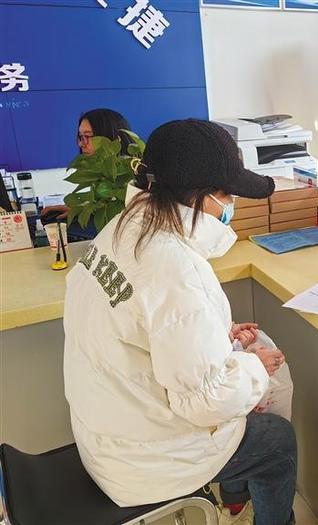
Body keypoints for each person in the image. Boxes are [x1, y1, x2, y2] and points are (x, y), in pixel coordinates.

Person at [63, 119, 296, 525]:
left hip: (106, 435)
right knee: (277, 441)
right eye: (227, 194)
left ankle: (236, 499)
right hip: (146, 461)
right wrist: (254, 366)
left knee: (244, 418)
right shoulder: (175, 267)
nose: (231, 205)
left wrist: (217, 339)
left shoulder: (121, 230)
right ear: (204, 197)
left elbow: (151, 332)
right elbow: (205, 403)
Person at [41, 108, 134, 237]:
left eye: (88, 136)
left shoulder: (130, 173)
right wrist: (82, 208)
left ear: (111, 138)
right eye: (80, 136)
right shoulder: (102, 169)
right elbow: (105, 200)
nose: (81, 144)